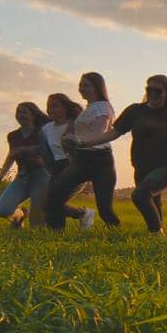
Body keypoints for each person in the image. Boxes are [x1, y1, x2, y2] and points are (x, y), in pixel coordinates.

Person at [68, 74, 167, 235]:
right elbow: (113, 133)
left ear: (166, 93)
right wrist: (83, 143)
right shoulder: (135, 111)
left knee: (140, 195)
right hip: (141, 166)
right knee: (154, 202)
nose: (153, 94)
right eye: (149, 90)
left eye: (158, 91)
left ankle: (156, 235)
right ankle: (158, 241)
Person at [45, 72, 121, 230]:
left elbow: (100, 132)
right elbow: (84, 133)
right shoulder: (89, 108)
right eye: (80, 85)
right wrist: (70, 140)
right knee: (54, 196)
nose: (82, 88)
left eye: (86, 85)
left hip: (101, 161)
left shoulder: (103, 107)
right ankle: (56, 234)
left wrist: (79, 142)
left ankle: (117, 234)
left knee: (105, 209)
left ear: (97, 87)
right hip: (82, 159)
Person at [40, 92, 94, 230]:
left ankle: (57, 232)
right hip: (57, 168)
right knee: (46, 203)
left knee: (54, 201)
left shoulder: (76, 126)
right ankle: (82, 214)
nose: (50, 109)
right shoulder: (46, 129)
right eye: (48, 106)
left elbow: (86, 147)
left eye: (55, 106)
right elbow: (47, 153)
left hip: (75, 166)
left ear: (65, 108)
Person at [0, 101, 51, 228]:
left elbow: (49, 154)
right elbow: (11, 155)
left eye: (24, 112)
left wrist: (39, 160)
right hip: (22, 177)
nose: (20, 115)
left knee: (36, 223)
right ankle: (19, 216)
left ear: (33, 115)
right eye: (18, 112)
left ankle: (37, 236)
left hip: (41, 176)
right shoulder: (13, 136)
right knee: (2, 209)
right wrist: (1, 175)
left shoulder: (42, 133)